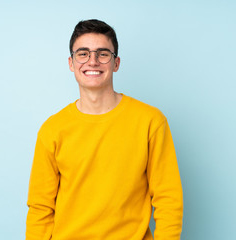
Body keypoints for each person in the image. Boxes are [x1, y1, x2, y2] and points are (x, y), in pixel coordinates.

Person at [26, 19, 183, 240]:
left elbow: (168, 199)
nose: (93, 61)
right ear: (71, 63)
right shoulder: (52, 129)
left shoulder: (150, 121)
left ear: (115, 63)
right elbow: (40, 207)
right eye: (83, 53)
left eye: (102, 54)